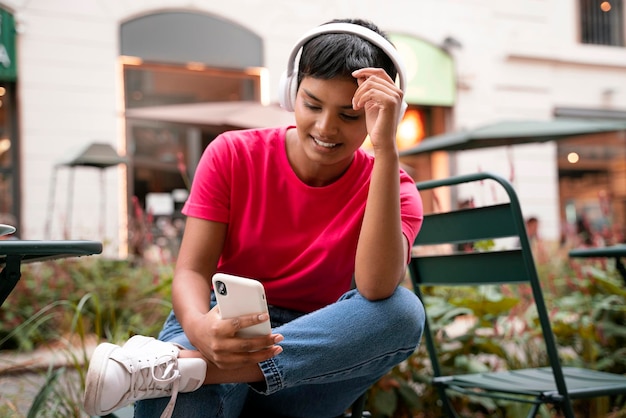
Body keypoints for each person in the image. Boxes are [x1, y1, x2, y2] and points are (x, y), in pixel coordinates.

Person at [83, 18, 425, 418]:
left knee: (402, 312)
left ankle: (181, 370)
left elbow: (376, 287)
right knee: (181, 405)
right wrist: (200, 330)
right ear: (289, 93)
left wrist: (385, 150)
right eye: (312, 104)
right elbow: (191, 271)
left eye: (350, 116)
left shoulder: (394, 188)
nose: (325, 127)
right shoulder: (232, 154)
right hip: (221, 323)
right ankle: (191, 368)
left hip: (310, 358)